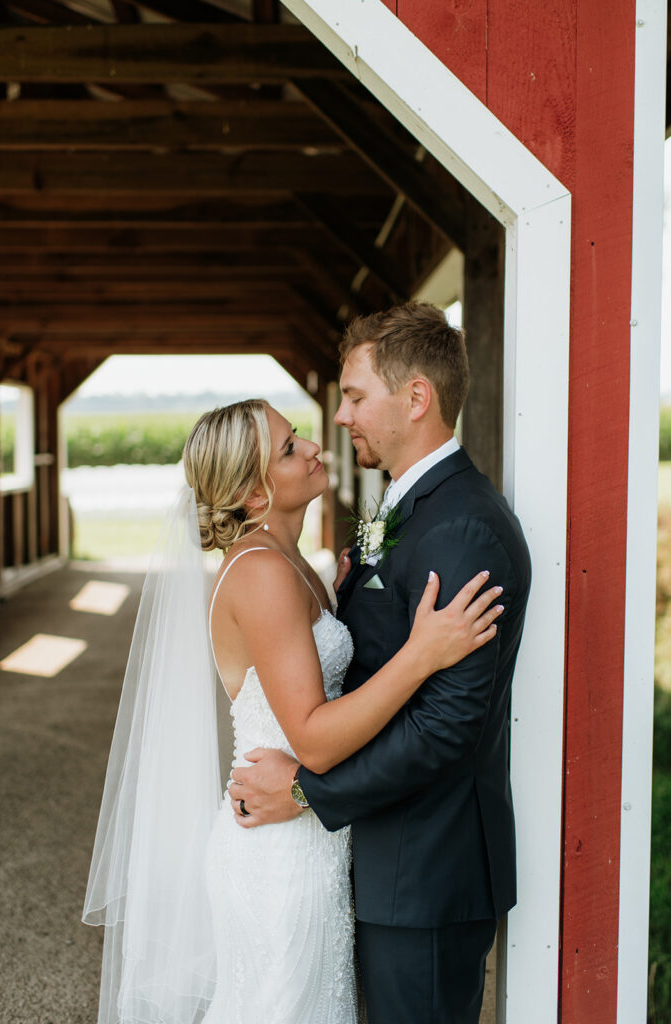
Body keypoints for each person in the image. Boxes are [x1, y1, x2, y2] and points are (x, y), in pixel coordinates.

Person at [82, 395, 503, 1024]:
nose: (312, 446)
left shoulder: (292, 565)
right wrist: (422, 654)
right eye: (288, 448)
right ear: (254, 495)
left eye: (297, 434)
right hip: (277, 855)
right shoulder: (260, 574)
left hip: (309, 841)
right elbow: (313, 740)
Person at [229, 302, 532, 1024]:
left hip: (427, 871)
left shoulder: (463, 529)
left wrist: (307, 793)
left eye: (356, 396)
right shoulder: (395, 503)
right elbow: (375, 634)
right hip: (383, 862)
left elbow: (446, 728)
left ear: (417, 397)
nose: (339, 417)